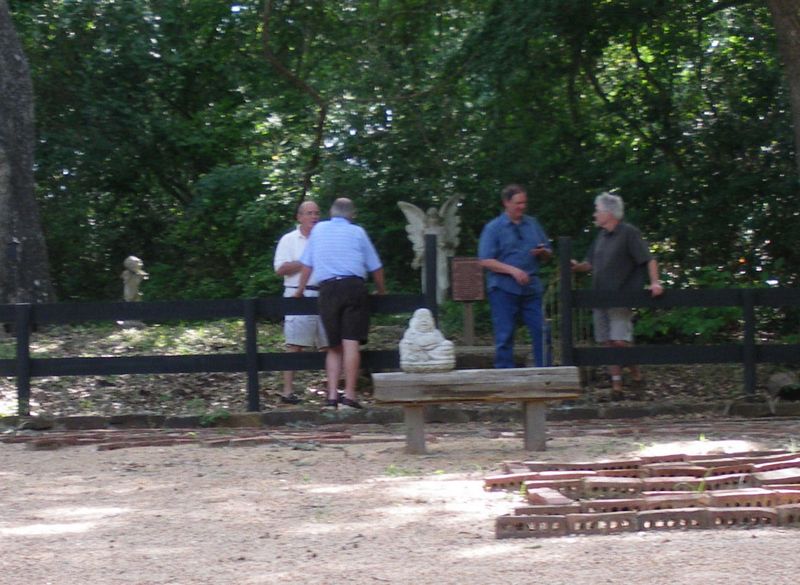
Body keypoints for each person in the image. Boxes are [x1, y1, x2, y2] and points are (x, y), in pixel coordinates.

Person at [294, 198, 386, 410]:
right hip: (353, 287)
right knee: (351, 343)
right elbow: (376, 266)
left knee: (333, 347)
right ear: (352, 214)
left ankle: (332, 397)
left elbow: (307, 264)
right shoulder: (358, 232)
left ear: (331, 212)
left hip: (328, 290)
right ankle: (350, 396)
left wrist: (299, 290)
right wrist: (382, 291)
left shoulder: (319, 230)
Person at [571, 192, 664, 395]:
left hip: (621, 295)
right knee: (607, 342)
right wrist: (575, 267)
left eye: (597, 210)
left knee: (620, 341)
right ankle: (617, 385)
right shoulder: (601, 236)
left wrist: (655, 282)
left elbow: (648, 259)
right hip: (598, 297)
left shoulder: (628, 233)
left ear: (609, 213)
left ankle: (637, 375)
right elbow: (589, 264)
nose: (595, 214)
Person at [478, 184, 552, 369]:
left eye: (524, 203)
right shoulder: (493, 228)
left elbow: (548, 252)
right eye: (518, 203)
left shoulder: (533, 224)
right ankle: (505, 377)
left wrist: (543, 252)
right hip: (503, 289)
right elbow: (485, 260)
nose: (522, 207)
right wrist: (512, 270)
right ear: (506, 202)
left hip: (531, 288)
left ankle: (545, 373)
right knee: (505, 335)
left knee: (542, 330)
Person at [273, 201, 328, 404]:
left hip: (324, 295)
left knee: (329, 345)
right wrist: (307, 260)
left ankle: (331, 392)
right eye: (309, 213)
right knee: (294, 344)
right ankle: (287, 392)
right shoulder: (288, 240)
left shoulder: (325, 238)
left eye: (317, 213)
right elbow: (280, 269)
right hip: (298, 295)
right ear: (299, 217)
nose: (314, 216)